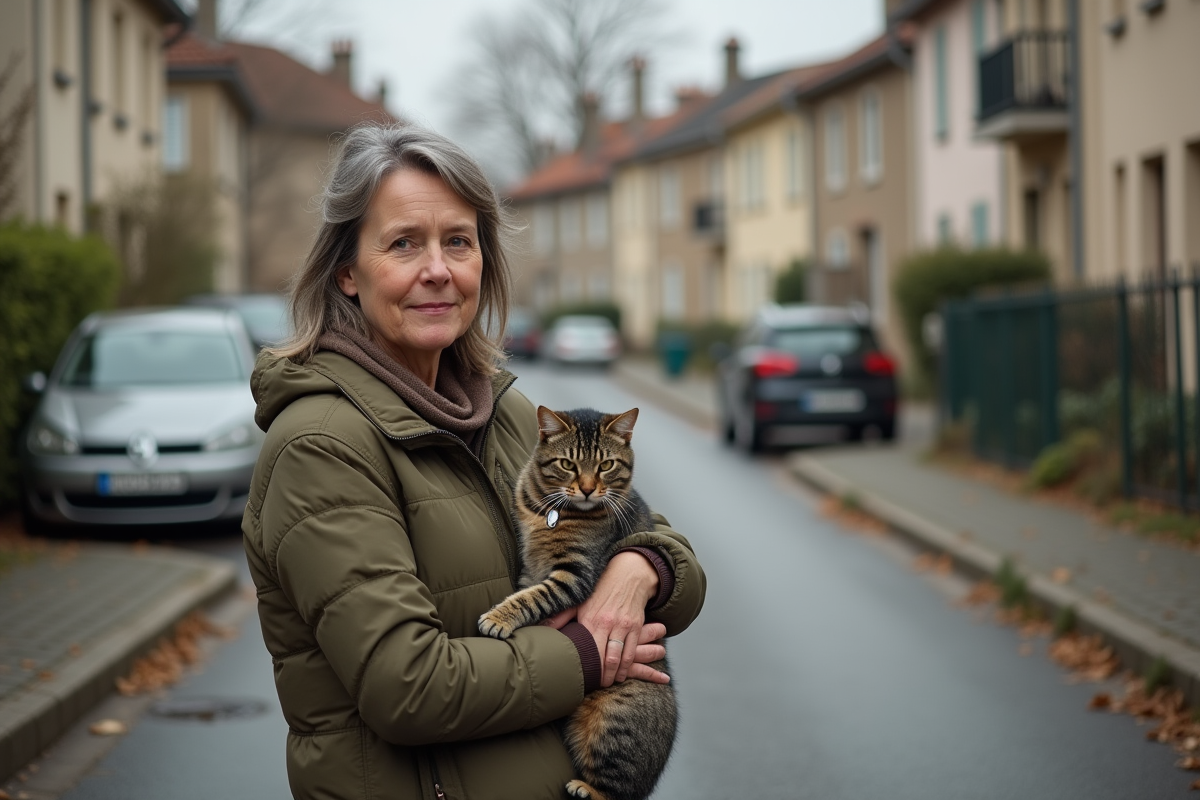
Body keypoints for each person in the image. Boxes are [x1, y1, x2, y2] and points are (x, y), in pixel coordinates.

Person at [242, 123, 706, 800]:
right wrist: (589, 654)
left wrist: (638, 570)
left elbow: (667, 557)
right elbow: (409, 689)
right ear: (347, 271)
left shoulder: (502, 414)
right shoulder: (323, 445)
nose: (438, 269)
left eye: (457, 241)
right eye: (404, 243)